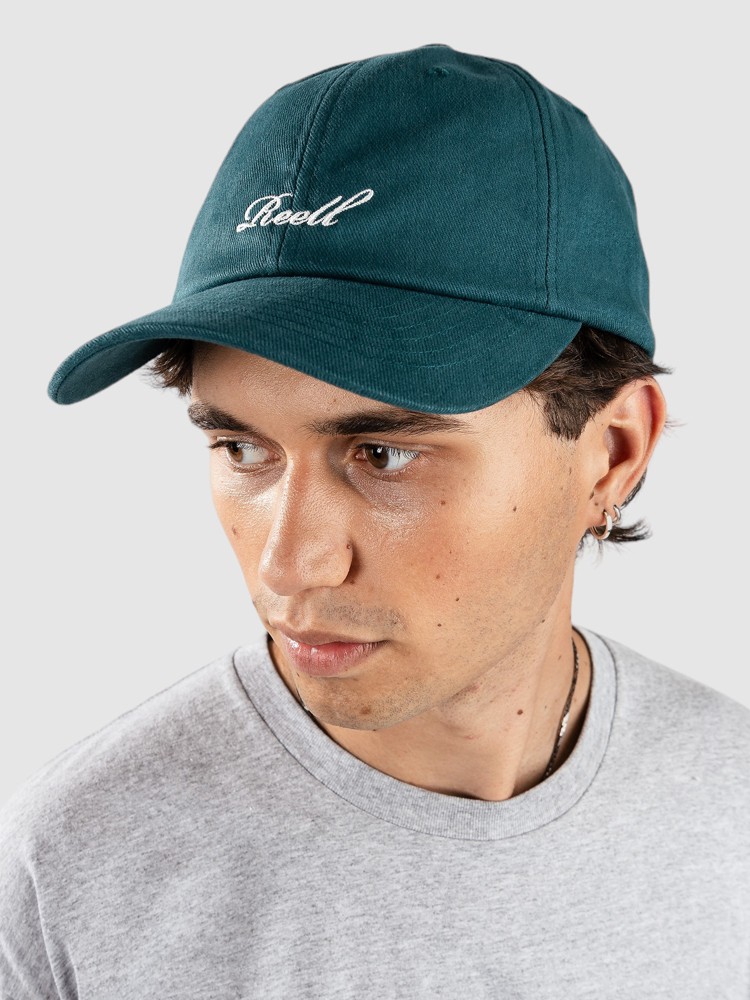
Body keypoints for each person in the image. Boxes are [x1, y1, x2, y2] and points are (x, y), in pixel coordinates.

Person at [1, 41, 748, 998]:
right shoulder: (74, 872)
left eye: (384, 455)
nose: (289, 565)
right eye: (241, 449)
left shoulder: (733, 812)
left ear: (612, 452)